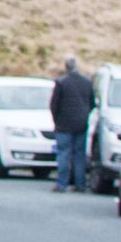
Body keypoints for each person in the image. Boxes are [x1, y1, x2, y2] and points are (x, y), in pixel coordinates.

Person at [47, 56, 93, 193]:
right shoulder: (87, 82)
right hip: (81, 124)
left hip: (64, 124)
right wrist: (84, 116)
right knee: (79, 155)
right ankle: (80, 184)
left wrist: (56, 120)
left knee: (63, 154)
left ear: (66, 67)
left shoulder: (61, 83)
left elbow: (53, 105)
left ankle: (62, 184)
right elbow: (92, 103)